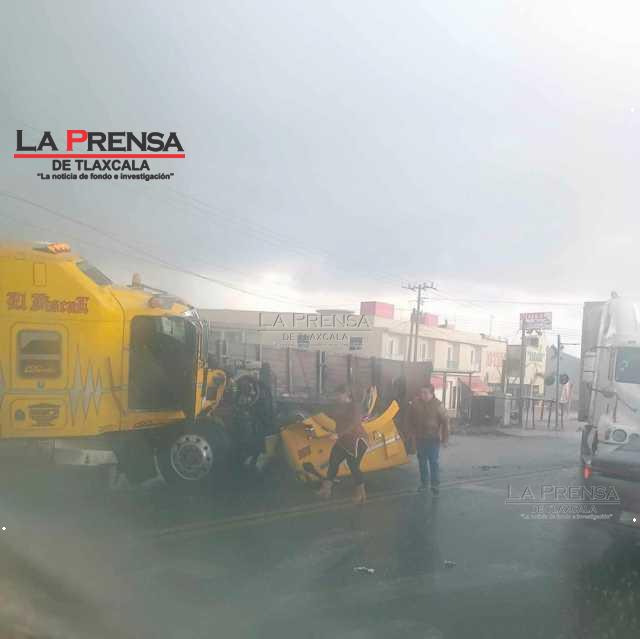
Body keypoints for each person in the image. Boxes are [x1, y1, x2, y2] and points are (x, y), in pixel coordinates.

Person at [316, 385, 369, 504]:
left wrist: (338, 434)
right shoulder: (338, 406)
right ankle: (326, 490)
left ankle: (361, 494)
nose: (336, 397)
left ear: (346, 394)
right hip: (343, 441)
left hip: (356, 441)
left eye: (338, 395)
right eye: (336, 395)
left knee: (353, 467)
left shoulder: (355, 406)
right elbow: (331, 415)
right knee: (333, 462)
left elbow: (353, 424)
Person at [408, 383, 449, 496]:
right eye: (421, 392)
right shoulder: (416, 404)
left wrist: (445, 439)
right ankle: (424, 484)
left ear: (432, 393)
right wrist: (411, 434)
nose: (423, 395)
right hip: (420, 438)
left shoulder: (438, 405)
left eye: (425, 393)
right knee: (422, 462)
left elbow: (446, 421)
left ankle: (435, 485)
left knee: (433, 462)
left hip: (433, 439)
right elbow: (410, 419)